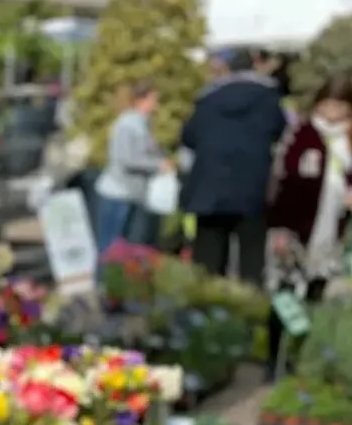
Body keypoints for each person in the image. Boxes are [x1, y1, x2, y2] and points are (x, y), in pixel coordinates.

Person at [266, 74, 352, 372]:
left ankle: (305, 357)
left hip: (331, 230)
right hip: (294, 227)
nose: (332, 113)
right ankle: (276, 358)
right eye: (327, 105)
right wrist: (279, 227)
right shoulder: (302, 133)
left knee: (317, 292)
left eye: (339, 107)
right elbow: (282, 180)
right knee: (284, 291)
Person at [179, 48, 288, 285]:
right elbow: (280, 132)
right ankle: (250, 313)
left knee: (207, 265)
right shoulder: (268, 98)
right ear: (254, 65)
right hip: (252, 188)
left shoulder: (207, 99)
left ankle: (205, 313)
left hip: (210, 187)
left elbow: (188, 136)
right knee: (251, 262)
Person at [94, 80, 174, 255]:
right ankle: (104, 282)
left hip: (132, 194)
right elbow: (126, 159)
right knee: (111, 247)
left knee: (124, 250)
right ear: (140, 100)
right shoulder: (128, 124)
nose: (156, 104)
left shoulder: (141, 123)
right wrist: (158, 164)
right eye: (153, 99)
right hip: (118, 193)